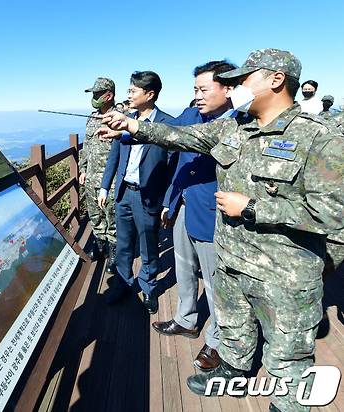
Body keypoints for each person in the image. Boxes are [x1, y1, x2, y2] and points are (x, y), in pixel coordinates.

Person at [98, 48, 344, 412]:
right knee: (234, 329)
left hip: (284, 273)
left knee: (287, 355)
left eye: (245, 79)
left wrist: (254, 208)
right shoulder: (235, 125)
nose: (236, 87)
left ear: (276, 80)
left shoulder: (319, 138)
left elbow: (333, 213)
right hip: (231, 259)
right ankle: (233, 370)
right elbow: (184, 136)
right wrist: (133, 125)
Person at [152, 60, 237, 373]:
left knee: (217, 283)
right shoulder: (190, 115)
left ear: (228, 88)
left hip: (217, 214)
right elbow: (164, 138)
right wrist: (169, 201)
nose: (198, 95)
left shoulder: (240, 123)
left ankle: (217, 341)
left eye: (204, 89)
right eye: (195, 89)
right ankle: (186, 319)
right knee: (184, 269)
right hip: (184, 204)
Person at [97, 71, 175, 313]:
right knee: (123, 243)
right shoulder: (125, 120)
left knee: (148, 244)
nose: (128, 95)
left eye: (133, 91)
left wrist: (167, 201)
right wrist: (104, 185)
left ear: (150, 94)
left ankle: (149, 287)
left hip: (148, 194)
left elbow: (173, 166)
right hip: (123, 192)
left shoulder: (166, 124)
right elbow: (114, 156)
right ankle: (122, 283)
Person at [78, 77, 119, 273]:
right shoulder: (92, 117)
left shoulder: (119, 117)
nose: (93, 98)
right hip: (91, 176)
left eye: (97, 94)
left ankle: (114, 254)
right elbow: (86, 146)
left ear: (108, 95)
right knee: (95, 215)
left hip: (110, 179)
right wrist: (83, 169)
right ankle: (99, 247)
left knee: (111, 216)